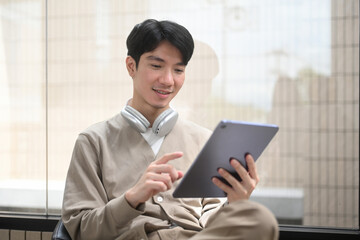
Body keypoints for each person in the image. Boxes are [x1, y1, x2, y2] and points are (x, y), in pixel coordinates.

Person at [62, 19, 279, 240]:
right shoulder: (93, 142)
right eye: (156, 66)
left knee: (259, 217)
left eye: (178, 70)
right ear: (131, 66)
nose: (168, 80)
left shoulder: (203, 140)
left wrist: (235, 203)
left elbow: (213, 226)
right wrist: (131, 198)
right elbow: (81, 230)